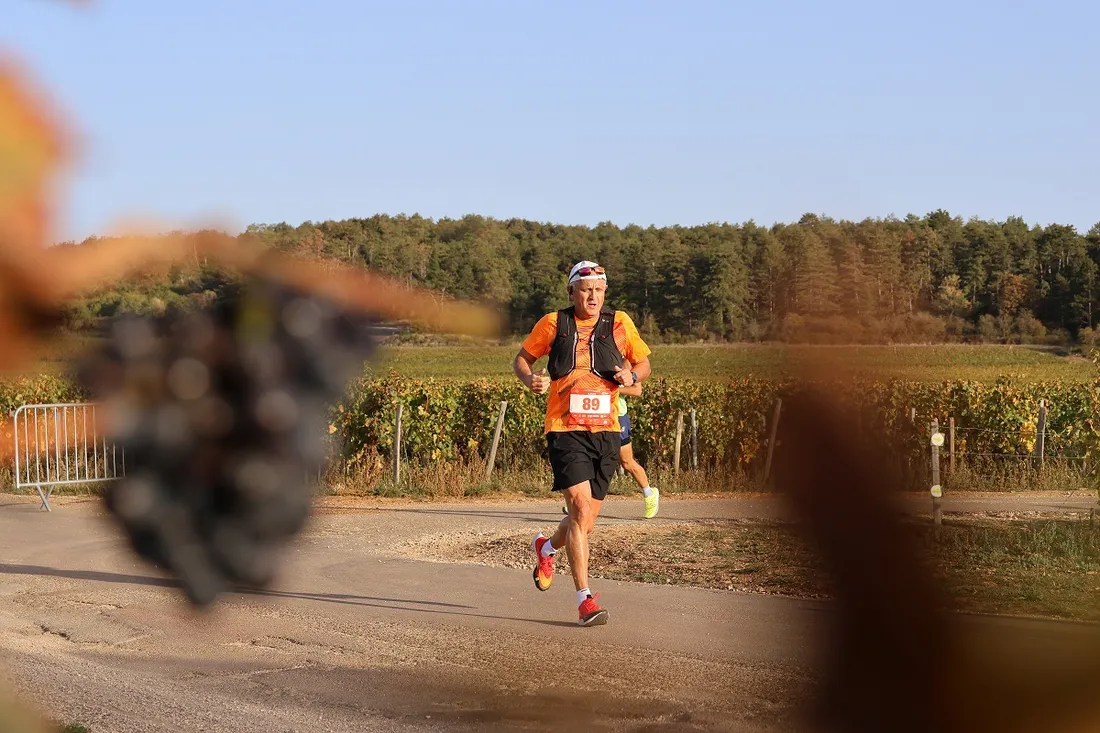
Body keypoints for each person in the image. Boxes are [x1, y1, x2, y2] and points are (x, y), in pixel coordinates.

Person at [513, 260, 652, 627]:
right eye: (586, 289)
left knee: (584, 522)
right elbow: (522, 359)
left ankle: (545, 547)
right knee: (576, 505)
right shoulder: (553, 323)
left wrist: (631, 374)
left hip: (606, 432)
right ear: (571, 291)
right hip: (564, 429)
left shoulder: (620, 323)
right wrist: (530, 380)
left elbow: (645, 364)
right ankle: (585, 600)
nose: (593, 296)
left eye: (600, 290)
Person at [562, 384, 659, 519]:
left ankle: (649, 493)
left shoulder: (623, 364)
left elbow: (636, 390)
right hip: (595, 416)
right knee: (590, 457)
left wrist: (607, 391)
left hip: (617, 416)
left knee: (626, 462)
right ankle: (582, 500)